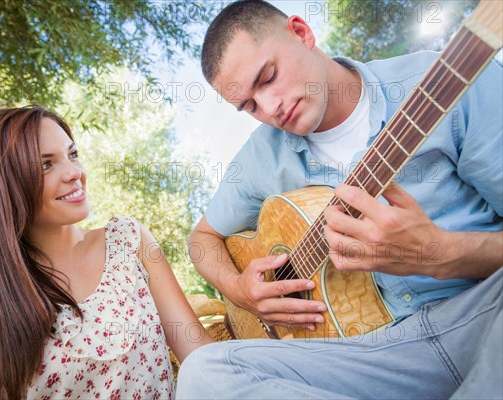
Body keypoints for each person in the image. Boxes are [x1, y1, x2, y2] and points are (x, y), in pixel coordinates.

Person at [177, 0, 502, 399]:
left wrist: (445, 253)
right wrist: (241, 290)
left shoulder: (440, 81)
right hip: (377, 355)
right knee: (204, 374)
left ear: (301, 33)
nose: (270, 108)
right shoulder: (262, 156)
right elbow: (202, 239)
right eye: (248, 106)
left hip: (483, 311)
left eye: (268, 77)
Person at [0, 106, 213, 399]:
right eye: (46, 165)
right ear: (1, 185)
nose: (74, 173)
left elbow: (201, 358)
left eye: (73, 154)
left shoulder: (129, 242)